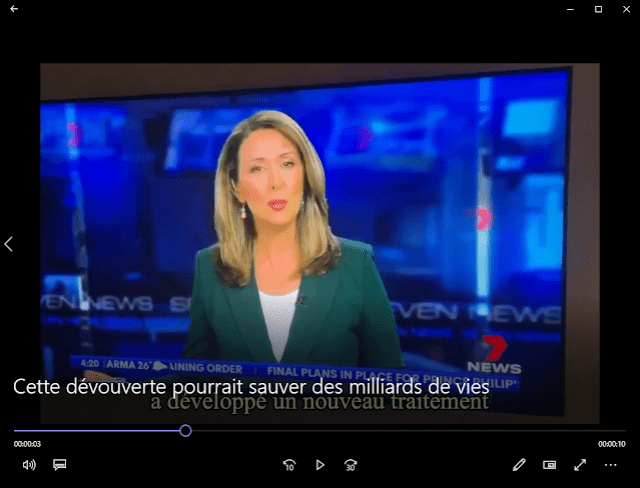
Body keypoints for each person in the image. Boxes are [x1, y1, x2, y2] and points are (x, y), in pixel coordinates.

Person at [85, 110, 404, 384]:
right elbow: (197, 373)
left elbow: (389, 379)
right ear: (237, 188)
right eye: (257, 168)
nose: (276, 181)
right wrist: (131, 390)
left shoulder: (355, 262)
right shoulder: (211, 265)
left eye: (287, 164)